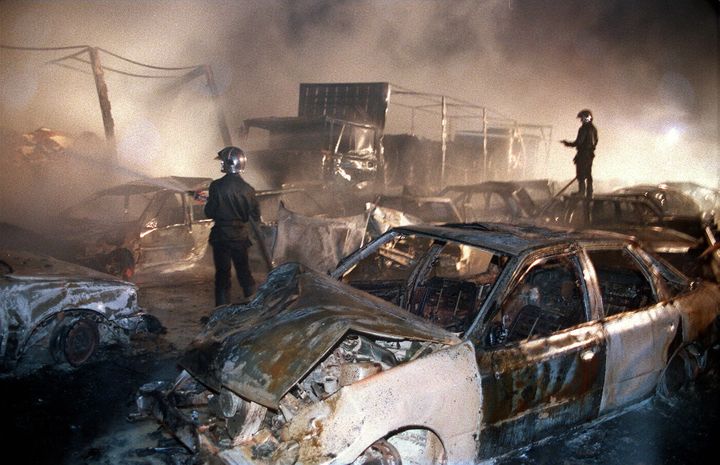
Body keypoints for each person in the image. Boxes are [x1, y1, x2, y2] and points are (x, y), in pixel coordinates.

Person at [204, 146, 261, 306]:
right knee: (244, 274)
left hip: (221, 237)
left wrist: (209, 203)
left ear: (230, 163)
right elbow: (255, 216)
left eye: (222, 161)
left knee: (222, 276)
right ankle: (255, 309)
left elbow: (209, 212)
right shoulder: (248, 190)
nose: (221, 164)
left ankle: (222, 313)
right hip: (240, 237)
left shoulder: (216, 186)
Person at [562, 109, 598, 199]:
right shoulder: (594, 129)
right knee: (588, 173)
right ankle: (589, 192)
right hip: (590, 154)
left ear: (586, 118)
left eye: (582, 118)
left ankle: (581, 192)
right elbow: (596, 141)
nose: (581, 120)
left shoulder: (584, 129)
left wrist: (567, 144)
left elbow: (579, 142)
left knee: (581, 174)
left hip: (583, 154)